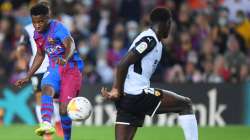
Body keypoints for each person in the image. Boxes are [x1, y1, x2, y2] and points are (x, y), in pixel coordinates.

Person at [101, 7, 198, 140]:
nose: (170, 29)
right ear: (167, 23)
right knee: (185, 104)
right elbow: (122, 64)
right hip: (138, 95)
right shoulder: (149, 40)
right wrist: (116, 89)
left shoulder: (154, 41)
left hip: (127, 98)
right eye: (170, 25)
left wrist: (119, 91)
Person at [15, 3, 84, 140]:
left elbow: (70, 43)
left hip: (71, 68)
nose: (38, 25)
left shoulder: (58, 27)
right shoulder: (36, 34)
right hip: (53, 67)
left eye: (41, 21)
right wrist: (28, 75)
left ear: (48, 17)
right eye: (35, 22)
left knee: (64, 110)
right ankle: (46, 123)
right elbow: (40, 55)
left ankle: (67, 138)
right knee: (46, 88)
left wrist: (65, 58)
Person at [16, 1, 63, 140]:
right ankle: (46, 130)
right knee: (39, 98)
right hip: (38, 68)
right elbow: (21, 47)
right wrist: (21, 59)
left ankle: (58, 122)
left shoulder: (56, 26)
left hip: (54, 66)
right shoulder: (28, 29)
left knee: (55, 98)